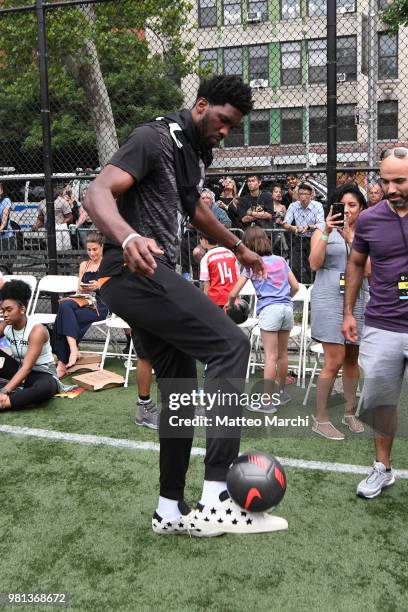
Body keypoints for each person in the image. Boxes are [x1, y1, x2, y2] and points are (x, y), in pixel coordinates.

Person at [85, 75, 287, 536]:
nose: (225, 131)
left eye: (234, 126)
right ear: (200, 106)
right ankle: (218, 496)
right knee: (230, 346)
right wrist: (130, 236)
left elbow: (196, 211)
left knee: (177, 390)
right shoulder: (152, 137)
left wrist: (239, 247)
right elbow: (97, 193)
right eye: (223, 121)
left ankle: (169, 510)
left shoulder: (192, 153)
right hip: (135, 272)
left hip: (147, 279)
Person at [342, 147, 408, 499]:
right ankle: (383, 467)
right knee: (382, 402)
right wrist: (349, 312)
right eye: (385, 181)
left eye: (399, 181)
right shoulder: (369, 220)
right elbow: (355, 264)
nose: (390, 188)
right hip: (383, 323)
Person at [309, 184, 368, 440]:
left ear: (362, 208)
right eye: (343, 206)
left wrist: (352, 239)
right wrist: (328, 231)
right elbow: (314, 263)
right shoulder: (322, 231)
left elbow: (369, 271)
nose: (348, 211)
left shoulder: (366, 235)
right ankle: (320, 419)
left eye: (353, 205)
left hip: (357, 299)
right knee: (334, 360)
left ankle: (349, 412)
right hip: (328, 298)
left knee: (353, 360)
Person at [228, 226, 298, 410]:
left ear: (248, 245)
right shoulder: (281, 260)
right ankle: (281, 394)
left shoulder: (251, 265)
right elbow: (296, 286)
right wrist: (284, 299)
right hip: (287, 309)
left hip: (270, 310)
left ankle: (267, 402)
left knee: (270, 357)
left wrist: (230, 303)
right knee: (282, 356)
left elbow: (234, 292)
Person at [53, 232, 109, 378]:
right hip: (84, 300)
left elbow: (115, 288)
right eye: (89, 250)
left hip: (100, 305)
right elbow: (78, 289)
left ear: (102, 247)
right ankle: (73, 350)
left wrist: (99, 286)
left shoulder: (107, 264)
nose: (92, 253)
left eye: (95, 249)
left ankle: (61, 362)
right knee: (65, 307)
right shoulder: (84, 265)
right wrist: (83, 288)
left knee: (63, 314)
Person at [0, 280, 61, 410]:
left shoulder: (37, 330)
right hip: (17, 368)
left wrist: (4, 391)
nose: (5, 315)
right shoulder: (5, 326)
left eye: (9, 310)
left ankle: (6, 402)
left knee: (46, 388)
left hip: (40, 372)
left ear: (22, 309)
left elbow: (27, 368)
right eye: (3, 310)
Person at [283, 182, 325, 284]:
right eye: (301, 194)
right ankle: (300, 285)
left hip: (313, 238)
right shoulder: (293, 205)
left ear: (311, 195)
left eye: (306, 194)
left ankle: (313, 285)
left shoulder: (317, 205)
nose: (303, 196)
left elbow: (321, 224)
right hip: (299, 237)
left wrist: (310, 227)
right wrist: (294, 228)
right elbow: (285, 223)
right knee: (294, 264)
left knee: (312, 265)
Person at [199, 234, 240, 307]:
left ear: (205, 241)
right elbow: (237, 276)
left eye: (200, 239)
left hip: (216, 300)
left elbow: (206, 284)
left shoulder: (206, 258)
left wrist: (205, 303)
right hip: (232, 298)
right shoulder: (230, 253)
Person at [32, 187, 73, 251]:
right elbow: (40, 219)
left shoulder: (62, 202)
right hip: (48, 231)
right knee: (49, 251)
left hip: (59, 232)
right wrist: (36, 225)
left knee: (61, 253)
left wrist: (59, 225)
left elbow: (70, 217)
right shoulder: (41, 203)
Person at [271, 183, 288, 257]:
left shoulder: (283, 207)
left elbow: (287, 219)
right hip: (271, 231)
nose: (278, 194)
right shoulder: (269, 206)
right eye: (276, 192)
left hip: (281, 231)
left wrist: (281, 221)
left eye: (280, 192)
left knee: (280, 252)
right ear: (271, 194)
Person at [0, 182, 13, 248]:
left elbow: (4, 219)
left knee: (8, 256)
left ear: (1, 190)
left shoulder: (6, 200)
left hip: (6, 236)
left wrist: (1, 228)